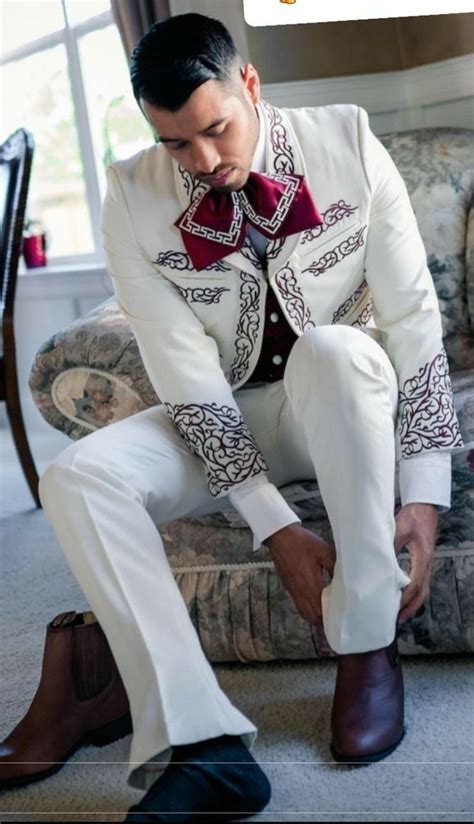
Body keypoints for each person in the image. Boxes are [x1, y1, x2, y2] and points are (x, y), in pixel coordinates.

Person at [0, 12, 464, 822]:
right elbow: (186, 379)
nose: (205, 161)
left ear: (249, 84)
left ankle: (366, 642)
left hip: (344, 400)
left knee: (338, 351)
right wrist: (273, 526)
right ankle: (204, 742)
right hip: (231, 413)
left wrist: (422, 495)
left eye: (216, 129)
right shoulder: (131, 196)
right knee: (80, 477)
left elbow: (414, 323)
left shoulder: (346, 140)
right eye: (178, 144)